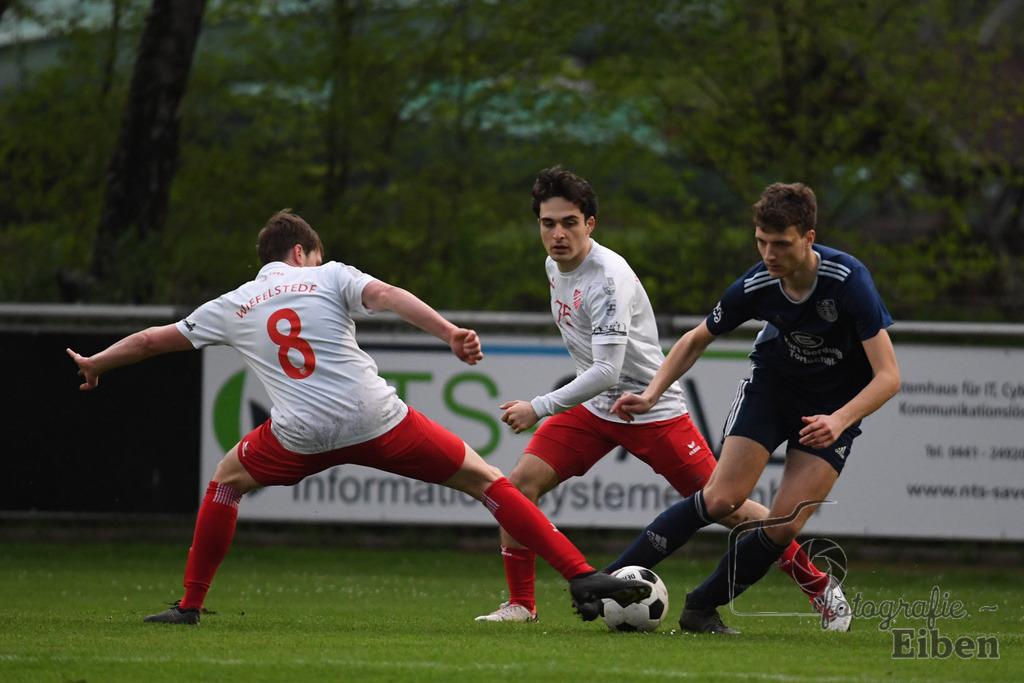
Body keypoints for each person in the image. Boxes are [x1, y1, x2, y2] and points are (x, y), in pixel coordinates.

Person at [66, 209, 652, 626]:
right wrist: (449, 332)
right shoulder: (331, 274)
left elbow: (149, 340)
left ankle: (189, 605)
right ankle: (578, 573)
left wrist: (97, 363)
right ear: (303, 253)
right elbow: (392, 297)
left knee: (225, 482)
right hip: (378, 419)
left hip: (299, 434)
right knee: (489, 482)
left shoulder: (232, 304)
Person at [475, 167, 837, 626]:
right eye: (549, 223)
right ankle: (522, 605)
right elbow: (599, 377)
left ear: (591, 223)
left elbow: (608, 371)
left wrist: (539, 406)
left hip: (651, 410)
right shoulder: (554, 264)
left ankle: (820, 586)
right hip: (594, 408)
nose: (558, 234)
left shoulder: (608, 279)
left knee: (730, 507)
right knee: (519, 485)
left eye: (570, 222)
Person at [608, 182, 900, 634]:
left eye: (781, 243)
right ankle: (608, 583)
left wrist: (839, 420)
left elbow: (889, 376)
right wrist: (650, 394)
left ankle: (700, 607)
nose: (769, 254)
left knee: (783, 524)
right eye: (761, 242)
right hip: (772, 391)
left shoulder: (849, 282)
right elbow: (696, 338)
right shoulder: (759, 283)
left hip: (830, 411)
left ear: (809, 237)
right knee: (723, 498)